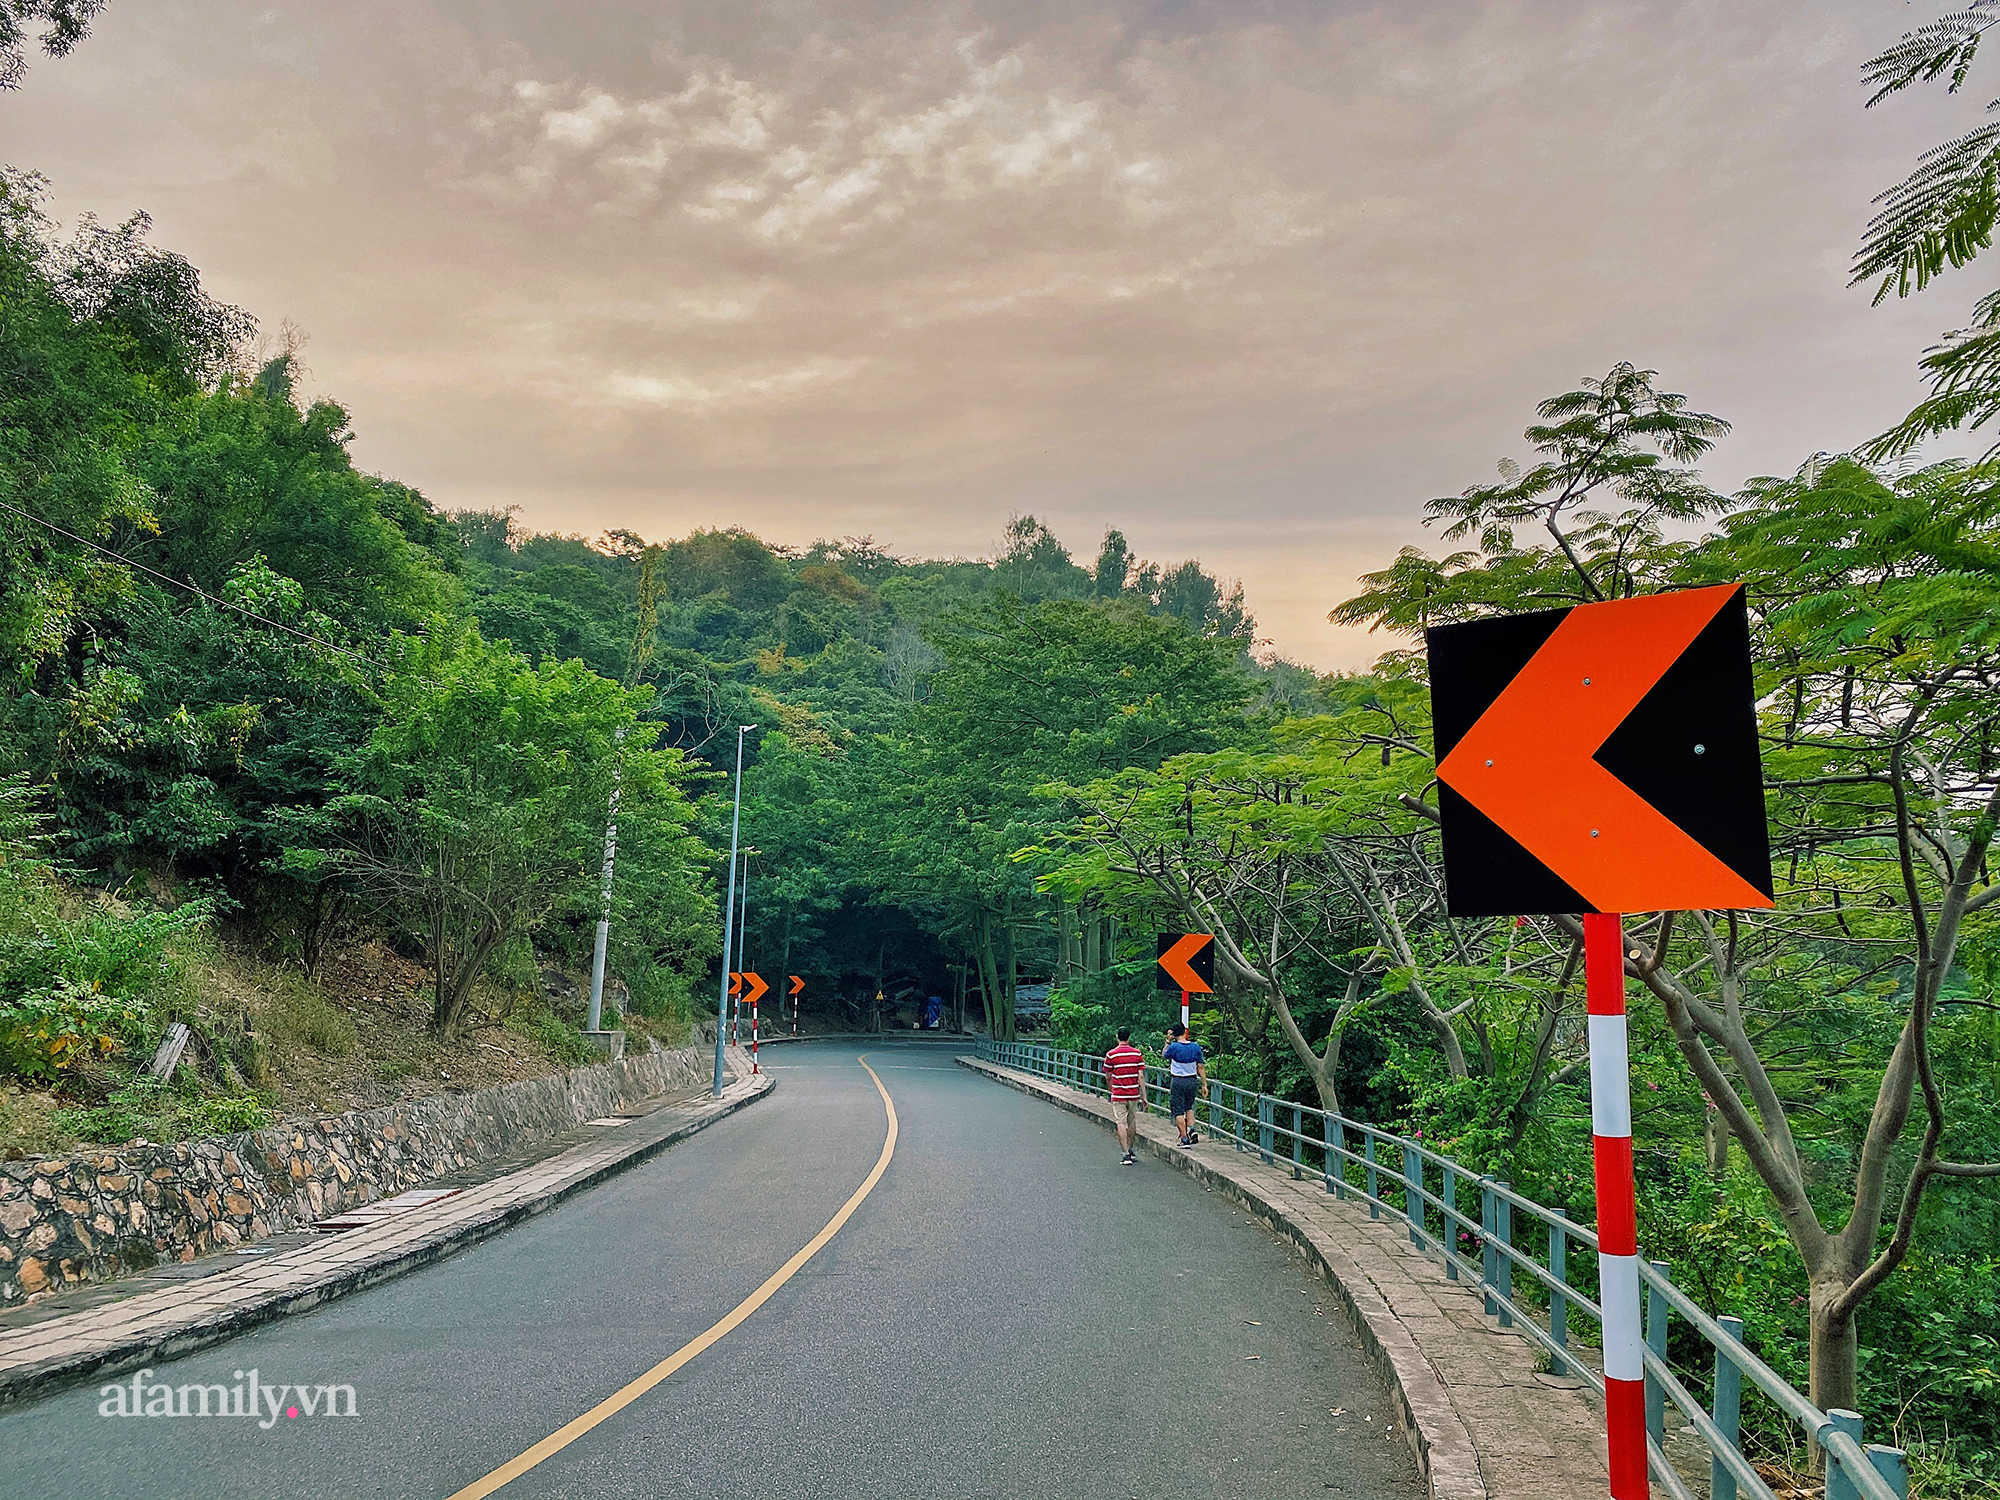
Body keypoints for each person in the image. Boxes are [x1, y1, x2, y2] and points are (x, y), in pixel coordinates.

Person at [1102, 1027, 1147, 1165]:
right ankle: (1131, 1149)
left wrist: (1112, 1090)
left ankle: (1125, 1153)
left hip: (1119, 1093)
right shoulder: (1137, 1053)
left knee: (1120, 1122)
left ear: (1117, 1037)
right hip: (1133, 1093)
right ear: (1129, 1037)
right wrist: (1144, 1096)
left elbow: (1108, 1076)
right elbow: (1140, 1076)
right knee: (1132, 1121)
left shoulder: (1111, 1055)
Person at [1163, 1022, 1207, 1147]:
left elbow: (1164, 1055)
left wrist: (1168, 1040)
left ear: (1174, 1034)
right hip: (1192, 1080)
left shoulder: (1174, 1047)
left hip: (1178, 1080)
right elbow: (1201, 1067)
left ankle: (1184, 1137)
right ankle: (1192, 1129)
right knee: (1189, 1107)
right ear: (1185, 1032)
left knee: (1178, 1111)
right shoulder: (1195, 1047)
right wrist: (1204, 1084)